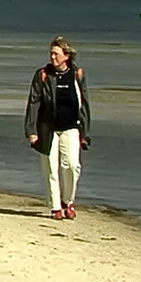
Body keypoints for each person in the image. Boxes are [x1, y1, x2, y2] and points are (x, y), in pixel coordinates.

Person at [25, 36, 91, 220]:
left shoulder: (77, 75)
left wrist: (85, 132)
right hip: (48, 128)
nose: (52, 57)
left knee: (72, 166)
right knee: (51, 169)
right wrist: (31, 130)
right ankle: (55, 207)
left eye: (56, 54)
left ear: (66, 55)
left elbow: (84, 104)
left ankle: (68, 202)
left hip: (71, 127)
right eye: (51, 54)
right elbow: (33, 102)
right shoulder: (43, 75)